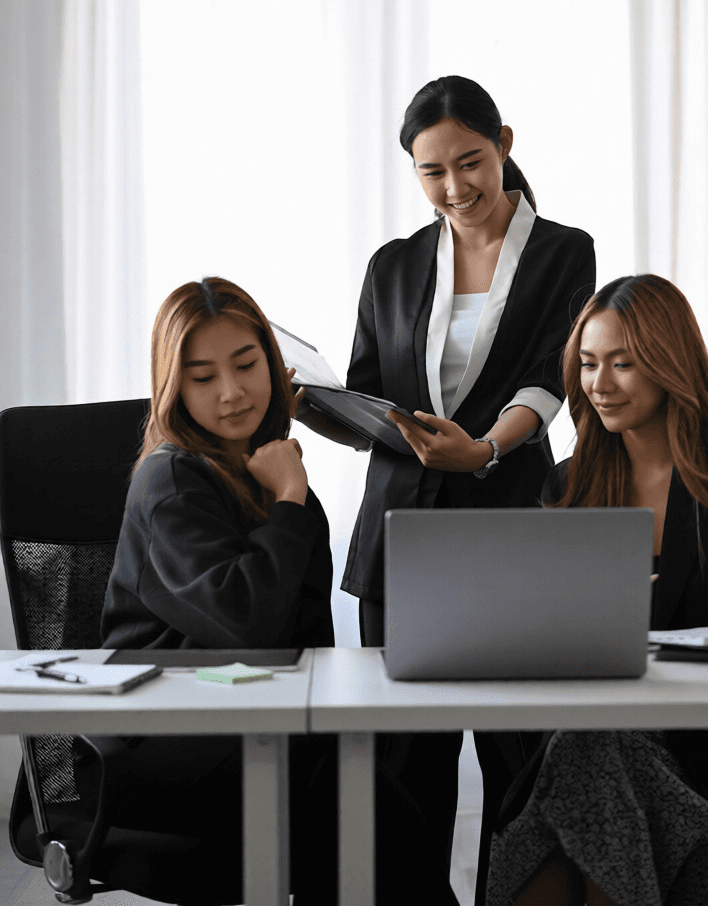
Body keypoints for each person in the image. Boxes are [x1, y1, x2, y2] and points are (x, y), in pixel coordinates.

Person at [85, 276, 457, 905]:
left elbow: (306, 633)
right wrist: (289, 497)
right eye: (202, 377)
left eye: (247, 364)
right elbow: (249, 625)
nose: (231, 393)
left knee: (366, 783)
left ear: (275, 366)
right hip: (166, 742)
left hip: (251, 724)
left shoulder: (264, 467)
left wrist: (288, 496)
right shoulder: (173, 478)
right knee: (349, 792)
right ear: (174, 386)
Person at [328, 75, 597, 897]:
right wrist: (325, 407)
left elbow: (552, 380)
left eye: (470, 162)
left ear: (505, 143)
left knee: (518, 753)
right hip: (401, 532)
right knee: (403, 761)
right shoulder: (394, 264)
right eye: (431, 172)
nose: (454, 189)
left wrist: (479, 450)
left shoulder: (563, 251)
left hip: (506, 525)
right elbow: (368, 381)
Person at [485, 273, 708, 906]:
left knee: (575, 790)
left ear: (669, 365)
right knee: (593, 750)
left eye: (623, 365)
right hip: (589, 732)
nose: (600, 385)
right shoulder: (567, 485)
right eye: (589, 364)